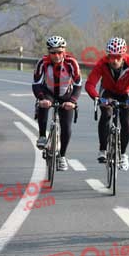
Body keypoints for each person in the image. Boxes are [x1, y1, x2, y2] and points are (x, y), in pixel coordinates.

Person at [85, 37, 129, 171]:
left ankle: (123, 154)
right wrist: (97, 97)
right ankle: (102, 150)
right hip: (107, 92)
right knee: (106, 113)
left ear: (124, 55)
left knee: (126, 121)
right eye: (111, 57)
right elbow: (90, 84)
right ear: (107, 55)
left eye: (118, 57)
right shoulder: (102, 63)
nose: (114, 60)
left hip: (126, 93)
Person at [32, 35, 82, 171]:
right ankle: (42, 135)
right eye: (53, 53)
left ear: (64, 51)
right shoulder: (42, 63)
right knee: (43, 104)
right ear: (49, 52)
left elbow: (78, 85)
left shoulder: (72, 63)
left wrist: (72, 101)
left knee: (66, 127)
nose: (56, 56)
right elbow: (36, 84)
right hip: (48, 92)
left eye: (60, 52)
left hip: (66, 95)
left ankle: (62, 156)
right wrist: (41, 98)